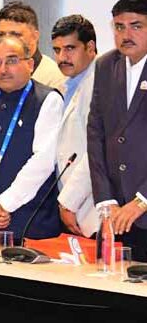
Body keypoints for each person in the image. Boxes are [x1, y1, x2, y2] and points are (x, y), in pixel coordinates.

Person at [0, 36, 63, 241]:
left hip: (32, 221)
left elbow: (43, 161)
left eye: (11, 60)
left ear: (30, 64)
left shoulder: (48, 100)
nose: (3, 69)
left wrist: (5, 205)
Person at [88, 0, 147, 261]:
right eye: (119, 27)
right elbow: (95, 133)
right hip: (116, 212)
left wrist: (142, 200)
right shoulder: (105, 65)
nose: (126, 34)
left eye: (136, 26)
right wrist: (106, 200)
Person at [51, 15, 98, 237]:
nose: (62, 57)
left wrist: (68, 202)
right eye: (57, 50)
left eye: (70, 48)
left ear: (90, 47)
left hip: (90, 207)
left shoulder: (99, 84)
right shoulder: (68, 84)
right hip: (73, 206)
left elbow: (96, 151)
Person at [0, 1, 66, 93]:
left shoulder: (55, 78)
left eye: (15, 35)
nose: (7, 41)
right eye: (1, 35)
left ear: (35, 37)